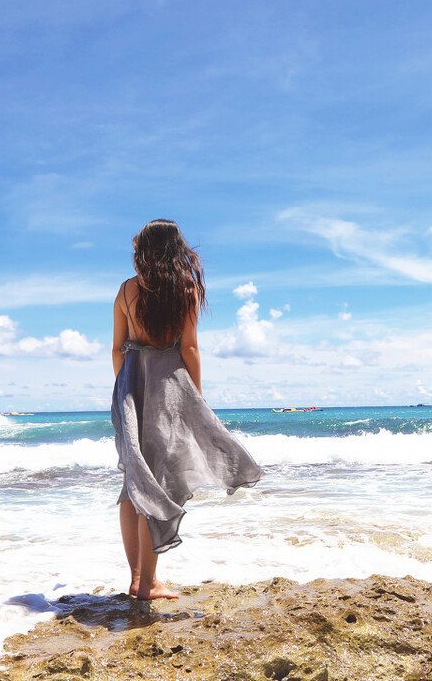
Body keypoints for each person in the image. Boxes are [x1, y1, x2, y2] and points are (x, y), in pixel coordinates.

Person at [111, 219, 262, 600]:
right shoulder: (186, 290)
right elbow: (189, 348)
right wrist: (195, 396)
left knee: (134, 482)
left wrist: (127, 391)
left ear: (145, 252)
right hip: (170, 390)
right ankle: (148, 583)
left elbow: (117, 348)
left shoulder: (126, 291)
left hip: (130, 387)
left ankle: (135, 579)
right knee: (159, 481)